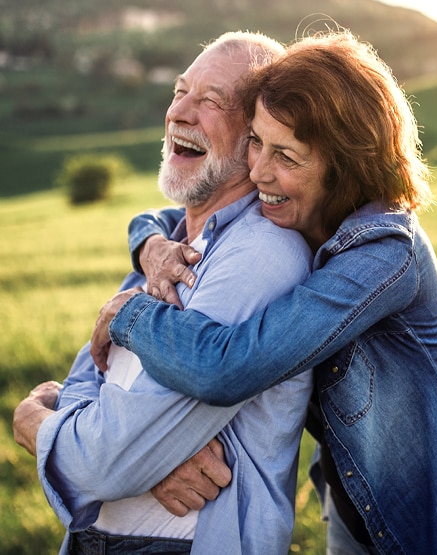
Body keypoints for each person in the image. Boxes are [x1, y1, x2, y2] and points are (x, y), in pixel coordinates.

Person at [91, 30, 437, 554]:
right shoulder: (301, 209)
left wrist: (129, 315)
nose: (257, 172)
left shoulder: (386, 254)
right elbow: (163, 216)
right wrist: (153, 247)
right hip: (354, 502)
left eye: (286, 157)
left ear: (343, 166)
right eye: (256, 140)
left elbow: (229, 368)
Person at [13, 31, 315, 555]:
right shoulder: (167, 249)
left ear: (257, 140)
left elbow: (107, 461)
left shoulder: (262, 257)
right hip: (95, 539)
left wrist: (34, 422)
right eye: (180, 91)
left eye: (211, 101)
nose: (180, 112)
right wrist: (139, 461)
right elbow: (90, 381)